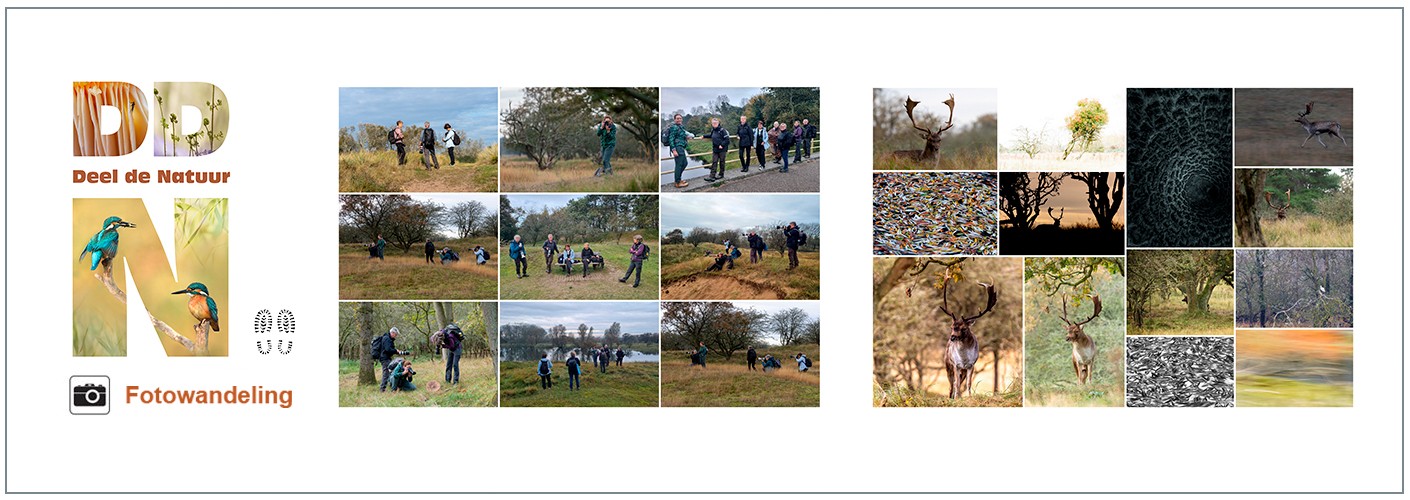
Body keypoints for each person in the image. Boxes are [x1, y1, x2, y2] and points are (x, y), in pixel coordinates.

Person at [373, 327, 410, 392]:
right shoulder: (387, 339)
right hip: (384, 358)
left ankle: (395, 386)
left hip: (387, 358)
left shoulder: (388, 338)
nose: (396, 336)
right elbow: (388, 349)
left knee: (392, 371)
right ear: (392, 333)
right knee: (386, 373)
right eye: (395, 334)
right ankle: (382, 389)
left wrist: (396, 351)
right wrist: (396, 351)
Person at [665, 113, 695, 189]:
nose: (679, 120)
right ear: (674, 119)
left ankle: (678, 179)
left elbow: (681, 136)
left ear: (682, 119)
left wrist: (687, 137)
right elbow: (671, 139)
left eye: (680, 118)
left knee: (685, 163)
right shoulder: (674, 127)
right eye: (677, 118)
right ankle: (677, 182)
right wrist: (674, 150)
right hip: (677, 148)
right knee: (679, 165)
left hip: (681, 147)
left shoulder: (680, 127)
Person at [705, 117, 730, 183]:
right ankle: (712, 176)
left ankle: (721, 174)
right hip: (715, 149)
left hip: (722, 149)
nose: (714, 124)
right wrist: (704, 136)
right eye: (713, 123)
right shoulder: (713, 130)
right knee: (714, 162)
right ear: (712, 124)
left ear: (718, 123)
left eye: (715, 123)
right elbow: (711, 135)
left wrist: (722, 145)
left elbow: (727, 139)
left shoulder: (722, 130)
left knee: (722, 162)